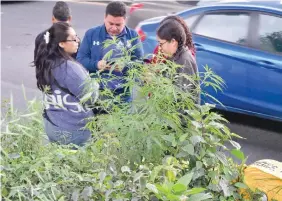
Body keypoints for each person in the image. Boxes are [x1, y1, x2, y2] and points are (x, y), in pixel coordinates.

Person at [34, 22, 99, 146]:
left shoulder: (46, 63)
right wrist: (94, 83)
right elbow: (91, 97)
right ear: (62, 43)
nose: (77, 41)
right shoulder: (70, 68)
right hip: (73, 131)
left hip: (52, 124)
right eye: (73, 38)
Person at [77, 1, 144, 102]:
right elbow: (80, 60)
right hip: (96, 93)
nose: (113, 28)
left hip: (122, 95)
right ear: (105, 18)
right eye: (110, 23)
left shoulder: (133, 36)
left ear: (125, 20)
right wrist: (97, 65)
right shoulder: (92, 34)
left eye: (118, 24)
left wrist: (125, 66)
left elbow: (139, 63)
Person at [156, 17, 199, 101]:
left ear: (173, 42)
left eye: (161, 44)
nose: (159, 48)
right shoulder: (174, 56)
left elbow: (181, 100)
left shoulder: (184, 61)